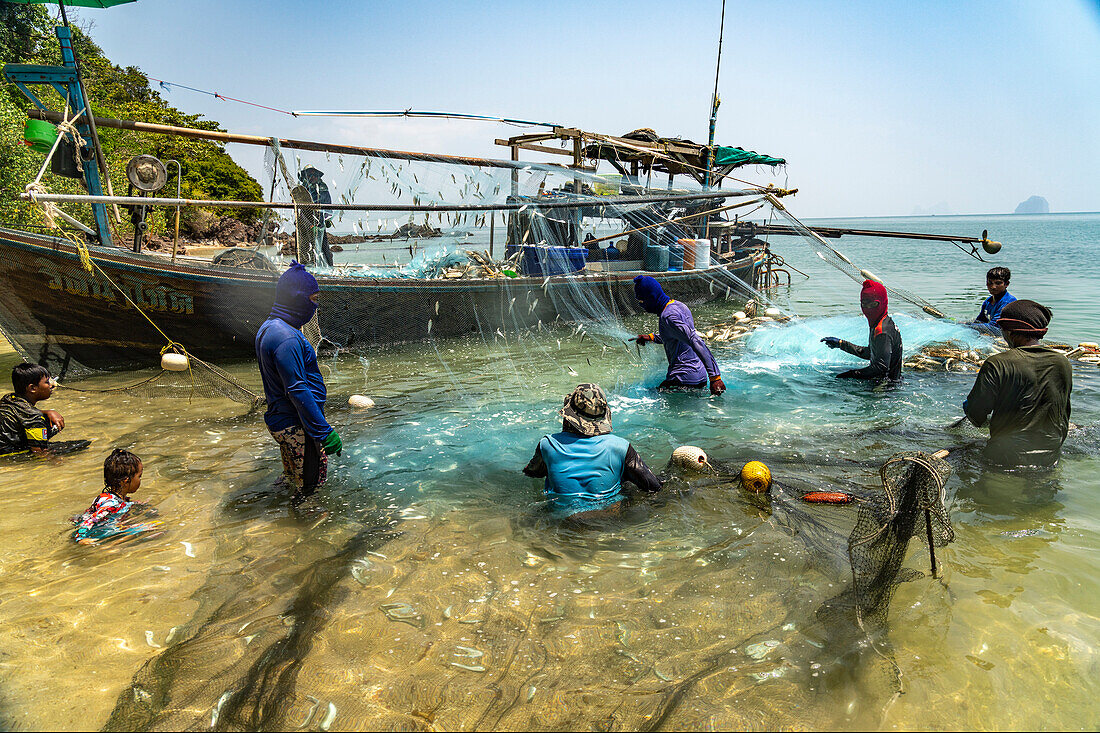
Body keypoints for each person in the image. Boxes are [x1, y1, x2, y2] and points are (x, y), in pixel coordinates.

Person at [256, 261, 342, 505]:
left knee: (293, 479)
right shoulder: (286, 338)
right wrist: (323, 431)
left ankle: (280, 520)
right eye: (313, 299)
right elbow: (296, 388)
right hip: (298, 426)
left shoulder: (270, 328)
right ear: (297, 298)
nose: (315, 306)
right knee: (312, 489)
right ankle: (302, 532)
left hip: (282, 421)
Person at [524, 383, 661, 520]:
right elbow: (652, 487)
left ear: (568, 415)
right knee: (627, 482)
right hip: (608, 517)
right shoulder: (621, 447)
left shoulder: (547, 444)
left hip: (563, 518)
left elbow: (532, 473)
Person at [963, 300, 1071, 466]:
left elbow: (976, 416)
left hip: (1005, 458)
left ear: (1011, 333)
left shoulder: (998, 363)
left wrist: (968, 406)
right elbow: (1062, 412)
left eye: (1002, 329)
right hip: (1050, 456)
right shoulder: (1063, 363)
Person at [632, 275, 726, 394]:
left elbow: (694, 340)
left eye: (641, 301)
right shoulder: (679, 306)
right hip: (699, 377)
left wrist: (715, 377)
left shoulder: (668, 317)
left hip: (683, 379)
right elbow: (680, 336)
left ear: (652, 297)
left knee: (644, 396)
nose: (642, 306)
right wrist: (652, 337)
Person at [72, 449, 160, 545]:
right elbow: (91, 520)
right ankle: (111, 546)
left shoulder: (108, 497)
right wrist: (80, 538)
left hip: (106, 528)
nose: (140, 480)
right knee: (150, 529)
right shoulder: (112, 504)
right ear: (126, 481)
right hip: (99, 534)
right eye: (139, 476)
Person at [821, 280, 903, 381]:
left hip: (885, 389)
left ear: (883, 302)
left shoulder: (882, 331)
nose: (868, 309)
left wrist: (852, 374)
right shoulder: (882, 321)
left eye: (873, 305)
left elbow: (880, 368)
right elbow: (871, 353)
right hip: (887, 381)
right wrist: (841, 344)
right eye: (864, 304)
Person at [0, 363, 64, 456]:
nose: (51, 385)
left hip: (5, 444)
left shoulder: (8, 398)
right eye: (47, 382)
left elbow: (20, 412)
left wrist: (47, 412)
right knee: (80, 445)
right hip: (9, 454)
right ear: (33, 388)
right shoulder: (35, 417)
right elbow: (40, 454)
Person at [300, 166, 334, 267]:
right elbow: (299, 209)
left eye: (314, 175)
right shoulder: (302, 189)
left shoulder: (323, 188)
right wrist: (309, 225)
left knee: (324, 248)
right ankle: (305, 269)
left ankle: (330, 268)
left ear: (318, 176)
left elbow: (328, 205)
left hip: (319, 223)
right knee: (305, 248)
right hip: (305, 222)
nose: (312, 177)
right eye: (309, 175)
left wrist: (328, 219)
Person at [968, 266, 1017, 335]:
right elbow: (980, 321)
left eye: (998, 283)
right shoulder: (988, 301)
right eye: (990, 282)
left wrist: (967, 327)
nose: (993, 287)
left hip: (1008, 336)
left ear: (1006, 284)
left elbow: (994, 327)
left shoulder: (1008, 302)